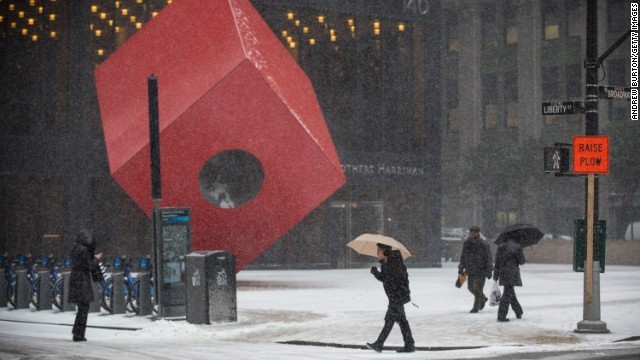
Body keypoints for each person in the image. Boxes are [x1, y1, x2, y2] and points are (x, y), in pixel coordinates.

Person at [366, 243, 415, 353]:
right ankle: (409, 344)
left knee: (389, 319)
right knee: (402, 321)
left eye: (378, 250)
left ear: (384, 251)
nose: (376, 253)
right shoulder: (387, 262)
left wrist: (382, 269)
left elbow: (393, 279)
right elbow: (385, 278)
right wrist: (375, 272)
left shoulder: (394, 262)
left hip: (397, 296)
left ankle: (379, 344)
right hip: (394, 296)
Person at [69, 230, 103, 341]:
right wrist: (96, 259)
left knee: (82, 308)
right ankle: (79, 334)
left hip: (75, 279)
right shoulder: (83, 250)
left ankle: (77, 332)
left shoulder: (75, 249)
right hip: (82, 280)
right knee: (84, 308)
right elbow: (89, 265)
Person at [458, 226, 493, 313]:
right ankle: (483, 298)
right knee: (470, 288)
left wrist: (489, 270)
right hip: (470, 269)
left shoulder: (483, 243)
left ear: (478, 233)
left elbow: (488, 257)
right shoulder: (467, 243)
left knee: (477, 288)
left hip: (481, 270)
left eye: (475, 232)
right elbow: (463, 256)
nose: (473, 233)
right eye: (471, 232)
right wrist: (461, 267)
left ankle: (475, 307)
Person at [493, 236, 526, 322]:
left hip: (503, 273)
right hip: (513, 273)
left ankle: (518, 311)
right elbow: (522, 261)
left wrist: (495, 275)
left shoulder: (500, 247)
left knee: (510, 292)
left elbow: (497, 262)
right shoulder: (517, 247)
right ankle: (501, 316)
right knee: (507, 294)